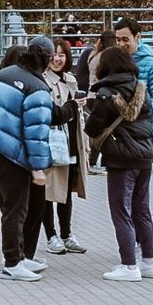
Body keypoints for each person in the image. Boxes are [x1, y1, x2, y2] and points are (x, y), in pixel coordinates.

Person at [0, 35, 58, 282]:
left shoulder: (2, 75)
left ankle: (20, 257)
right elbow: (36, 134)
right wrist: (38, 167)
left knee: (11, 208)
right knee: (16, 211)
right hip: (13, 158)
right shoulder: (39, 88)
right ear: (46, 58)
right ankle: (12, 263)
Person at [85, 45, 153, 282]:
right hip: (145, 156)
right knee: (142, 209)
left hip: (121, 158)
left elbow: (93, 127)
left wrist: (88, 109)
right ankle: (149, 260)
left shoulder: (106, 93)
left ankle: (129, 265)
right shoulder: (141, 88)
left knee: (121, 211)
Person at [41, 40, 88, 255]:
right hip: (52, 142)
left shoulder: (71, 80)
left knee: (67, 190)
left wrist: (85, 144)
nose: (57, 58)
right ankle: (51, 236)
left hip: (71, 141)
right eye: (54, 54)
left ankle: (67, 234)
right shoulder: (42, 81)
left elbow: (79, 117)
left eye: (62, 54)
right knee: (49, 191)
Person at [115, 16, 153, 147]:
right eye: (117, 40)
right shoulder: (114, 64)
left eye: (125, 39)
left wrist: (132, 110)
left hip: (148, 135)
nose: (121, 44)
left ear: (137, 37)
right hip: (122, 133)